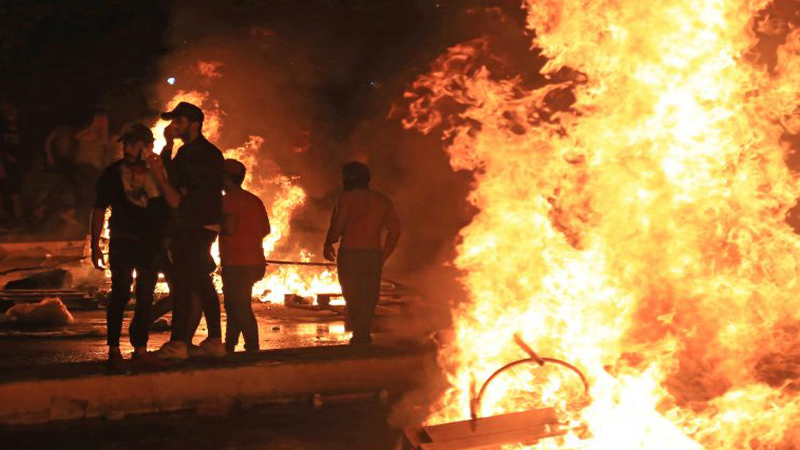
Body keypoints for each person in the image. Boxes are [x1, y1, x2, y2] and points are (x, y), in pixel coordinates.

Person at [90, 124, 169, 369]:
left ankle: (140, 349)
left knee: (145, 295)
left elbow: (167, 207)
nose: (128, 148)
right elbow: (99, 209)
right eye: (127, 143)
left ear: (147, 146)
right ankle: (114, 349)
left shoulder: (157, 173)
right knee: (121, 292)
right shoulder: (112, 174)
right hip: (123, 240)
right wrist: (94, 245)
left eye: (135, 144)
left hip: (150, 244)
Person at [153, 102, 225, 359]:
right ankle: (215, 340)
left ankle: (178, 344)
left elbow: (170, 181)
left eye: (179, 122)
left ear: (194, 124)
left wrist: (168, 148)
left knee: (184, 285)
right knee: (202, 282)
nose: (174, 126)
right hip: (207, 223)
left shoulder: (190, 153)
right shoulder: (213, 153)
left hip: (192, 223)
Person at [323, 162, 400, 345]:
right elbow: (395, 232)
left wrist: (329, 242)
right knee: (369, 295)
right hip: (372, 254)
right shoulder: (383, 200)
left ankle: (360, 334)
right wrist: (383, 256)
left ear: (349, 178)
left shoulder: (346, 198)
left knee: (352, 294)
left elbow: (338, 224)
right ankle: (363, 334)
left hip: (351, 254)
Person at [220, 159, 270, 354]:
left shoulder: (229, 200)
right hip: (255, 262)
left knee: (238, 306)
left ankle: (252, 347)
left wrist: (213, 227)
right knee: (236, 304)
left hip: (237, 263)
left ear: (226, 178)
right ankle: (230, 345)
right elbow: (265, 230)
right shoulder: (253, 200)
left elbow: (229, 227)